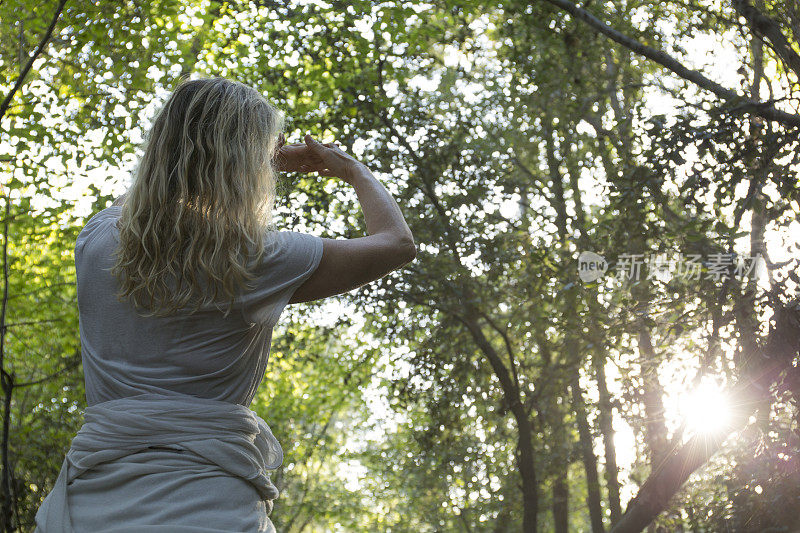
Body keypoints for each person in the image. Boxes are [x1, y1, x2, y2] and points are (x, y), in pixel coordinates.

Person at [33, 76, 416, 532]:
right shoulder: (256, 258)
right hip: (210, 510)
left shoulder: (97, 240)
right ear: (246, 163)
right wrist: (351, 168)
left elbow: (150, 199)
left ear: (162, 145)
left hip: (89, 508)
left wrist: (200, 148)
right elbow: (397, 244)